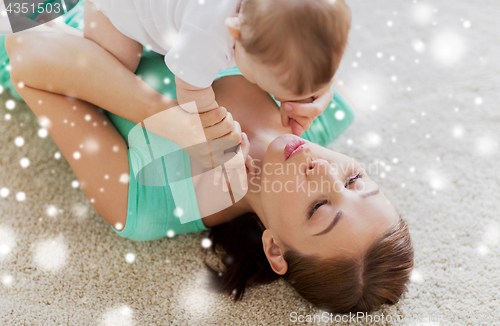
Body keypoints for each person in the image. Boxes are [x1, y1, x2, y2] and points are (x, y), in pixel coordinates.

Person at [2, 5, 413, 313]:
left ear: (275, 249)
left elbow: (25, 46)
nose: (323, 171)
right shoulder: (322, 107)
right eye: (355, 179)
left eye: (320, 206)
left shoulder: (145, 202)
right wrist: (307, 76)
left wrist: (169, 120)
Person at [84, 0, 351, 139]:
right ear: (235, 31)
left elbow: (307, 31)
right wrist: (217, 133)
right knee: (114, 66)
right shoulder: (209, 37)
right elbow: (192, 93)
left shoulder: (259, 20)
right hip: (119, 6)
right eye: (263, 82)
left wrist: (309, 88)